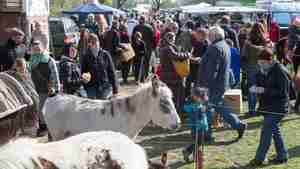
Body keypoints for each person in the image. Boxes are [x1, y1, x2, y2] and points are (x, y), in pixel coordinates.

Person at [197, 26, 247, 142]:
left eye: (209, 35)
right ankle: (239, 125)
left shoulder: (214, 48)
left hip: (213, 85)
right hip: (221, 84)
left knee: (208, 110)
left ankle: (207, 134)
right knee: (221, 109)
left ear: (214, 36)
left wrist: (205, 86)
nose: (208, 37)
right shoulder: (224, 45)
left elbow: (212, 69)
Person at [249, 48, 289, 166]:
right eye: (259, 63)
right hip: (267, 106)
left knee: (266, 130)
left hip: (279, 107)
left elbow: (283, 92)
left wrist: (264, 90)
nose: (260, 65)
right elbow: (259, 81)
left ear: (270, 60)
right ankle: (282, 155)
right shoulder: (262, 70)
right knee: (274, 130)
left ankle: (259, 158)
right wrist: (255, 87)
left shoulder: (280, 71)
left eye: (263, 63)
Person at [28, 40, 60, 136]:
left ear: (42, 48)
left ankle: (46, 128)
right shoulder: (32, 60)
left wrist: (56, 88)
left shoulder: (49, 59)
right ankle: (44, 127)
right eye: (34, 49)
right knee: (39, 109)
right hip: (35, 89)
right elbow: (30, 74)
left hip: (47, 89)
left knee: (45, 109)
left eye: (38, 48)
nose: (36, 50)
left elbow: (55, 74)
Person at [159, 32, 193, 114]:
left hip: (166, 75)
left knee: (169, 96)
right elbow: (176, 56)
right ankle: (176, 113)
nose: (174, 41)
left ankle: (170, 112)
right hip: (172, 76)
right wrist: (187, 54)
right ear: (170, 39)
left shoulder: (163, 47)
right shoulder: (168, 48)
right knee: (176, 96)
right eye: (173, 39)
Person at [241, 22, 269, 117]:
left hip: (251, 67)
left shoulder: (248, 42)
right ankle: (262, 109)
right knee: (262, 88)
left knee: (252, 89)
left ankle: (252, 111)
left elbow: (244, 56)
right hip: (263, 67)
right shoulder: (266, 41)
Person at [81, 33, 119, 99]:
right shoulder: (86, 56)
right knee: (93, 106)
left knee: (104, 106)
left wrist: (115, 89)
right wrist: (85, 80)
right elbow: (83, 72)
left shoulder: (105, 54)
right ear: (89, 44)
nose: (95, 44)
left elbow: (112, 72)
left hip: (105, 86)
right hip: (91, 87)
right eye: (93, 42)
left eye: (96, 41)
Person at [182, 87, 209, 163]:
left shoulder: (198, 103)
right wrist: (201, 111)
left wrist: (204, 108)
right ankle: (188, 151)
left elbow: (205, 104)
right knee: (198, 143)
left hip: (200, 127)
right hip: (197, 127)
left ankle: (195, 156)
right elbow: (197, 117)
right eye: (202, 98)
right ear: (196, 97)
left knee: (197, 142)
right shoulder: (194, 106)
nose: (203, 100)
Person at [186, 28, 209, 97]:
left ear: (202, 35)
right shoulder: (196, 43)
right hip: (192, 67)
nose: (196, 36)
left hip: (199, 69)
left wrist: (194, 59)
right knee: (189, 84)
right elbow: (192, 53)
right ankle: (190, 96)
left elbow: (204, 58)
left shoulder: (206, 44)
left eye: (197, 34)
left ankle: (197, 98)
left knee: (198, 86)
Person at [132, 15, 155, 80]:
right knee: (146, 62)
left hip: (138, 48)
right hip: (147, 48)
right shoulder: (149, 27)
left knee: (137, 63)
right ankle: (144, 75)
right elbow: (153, 38)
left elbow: (133, 38)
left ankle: (139, 76)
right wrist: (153, 46)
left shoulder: (136, 27)